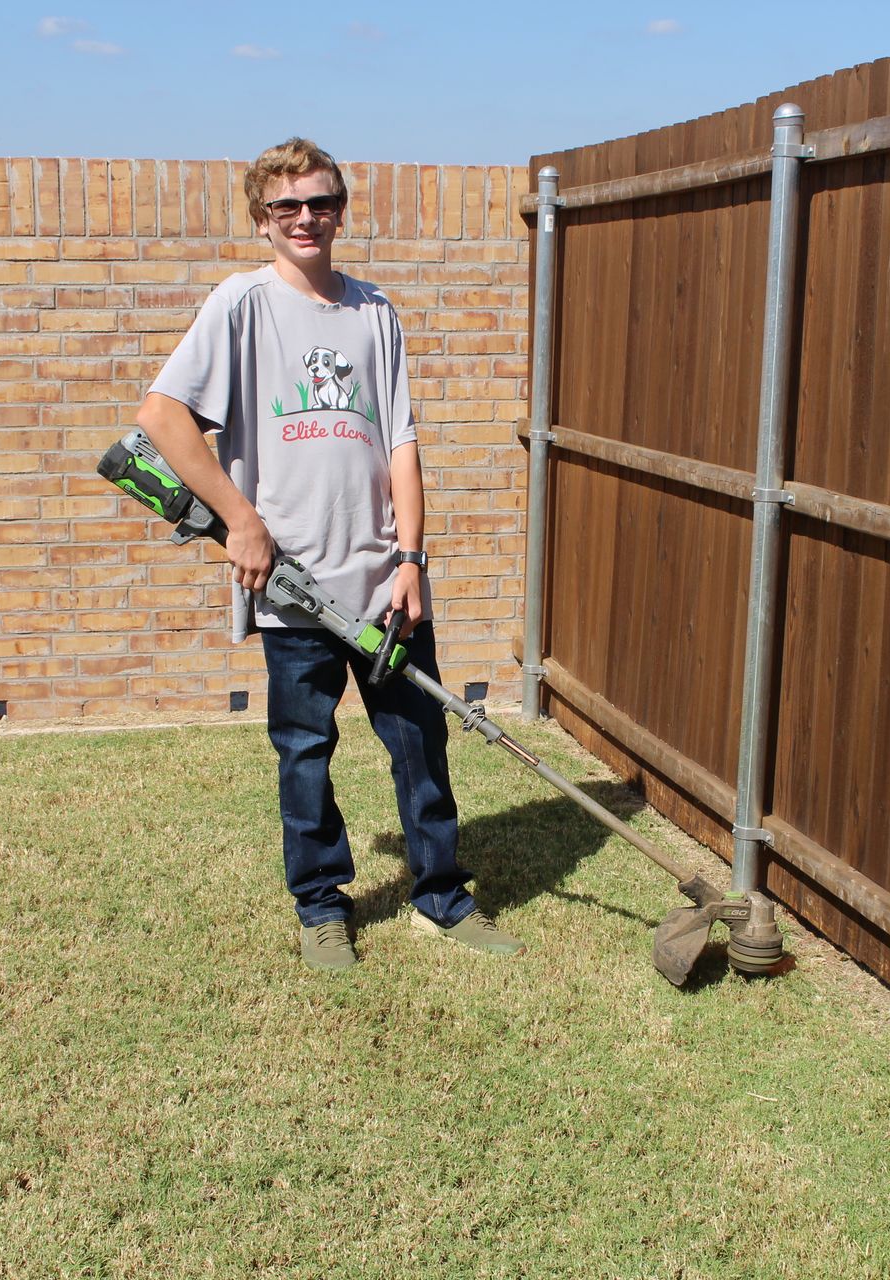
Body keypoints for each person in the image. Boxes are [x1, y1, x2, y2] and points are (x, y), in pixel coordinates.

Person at [135, 137, 523, 971]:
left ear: (341, 209)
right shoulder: (240, 305)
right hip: (293, 586)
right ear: (263, 219)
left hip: (384, 582)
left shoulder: (374, 311)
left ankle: (441, 899)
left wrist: (412, 558)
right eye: (288, 207)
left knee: (421, 742)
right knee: (305, 753)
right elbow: (162, 416)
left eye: (322, 203)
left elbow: (401, 443)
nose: (307, 219)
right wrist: (239, 520)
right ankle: (321, 906)